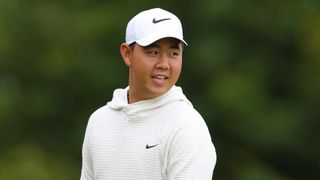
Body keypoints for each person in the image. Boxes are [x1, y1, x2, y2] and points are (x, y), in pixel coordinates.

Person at [80, 7, 216, 180]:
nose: (164, 64)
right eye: (153, 52)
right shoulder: (99, 121)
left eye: (173, 53)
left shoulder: (187, 126)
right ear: (127, 54)